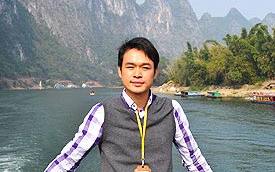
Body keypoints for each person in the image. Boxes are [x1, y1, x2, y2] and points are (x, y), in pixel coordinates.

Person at [45, 37, 213, 172]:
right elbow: (69, 159)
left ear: (155, 72)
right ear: (120, 71)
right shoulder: (103, 113)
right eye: (130, 67)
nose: (138, 74)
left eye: (145, 67)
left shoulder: (171, 110)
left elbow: (195, 160)